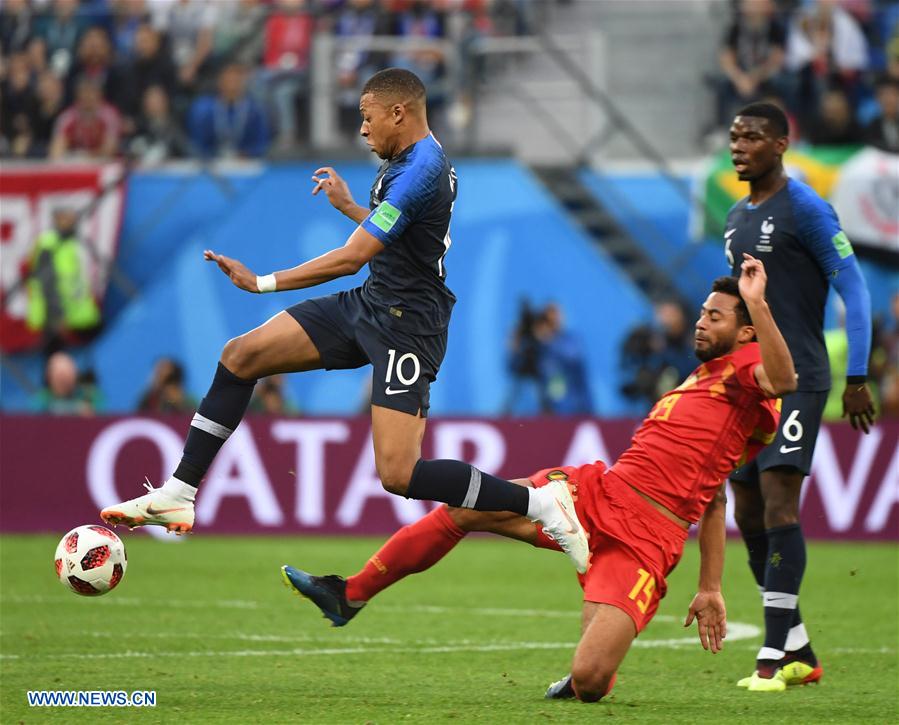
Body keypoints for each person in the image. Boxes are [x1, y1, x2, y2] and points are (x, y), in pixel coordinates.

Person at [99, 68, 588, 573]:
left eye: (366, 115)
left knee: (399, 474)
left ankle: (541, 505)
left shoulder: (421, 170)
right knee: (241, 355)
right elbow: (395, 236)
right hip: (372, 302)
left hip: (409, 326)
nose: (361, 128)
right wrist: (352, 206)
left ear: (398, 112)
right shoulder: (409, 161)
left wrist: (262, 282)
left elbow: (351, 258)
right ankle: (180, 493)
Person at [281, 258, 796, 702]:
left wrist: (710, 587)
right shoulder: (701, 379)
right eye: (702, 312)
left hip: (646, 541)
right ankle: (350, 593)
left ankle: (587, 676)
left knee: (591, 680)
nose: (700, 323)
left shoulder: (750, 369)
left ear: (747, 331)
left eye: (715, 316)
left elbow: (784, 382)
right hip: (595, 495)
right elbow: (715, 493)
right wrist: (708, 585)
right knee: (465, 510)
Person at [723, 102, 875, 691]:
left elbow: (855, 290)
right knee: (749, 511)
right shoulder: (736, 217)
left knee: (780, 504)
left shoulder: (806, 208)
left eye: (753, 137)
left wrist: (855, 376)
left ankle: (769, 656)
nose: (740, 146)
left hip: (802, 377)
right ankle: (799, 648)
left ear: (782, 145)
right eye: (735, 137)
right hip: (750, 385)